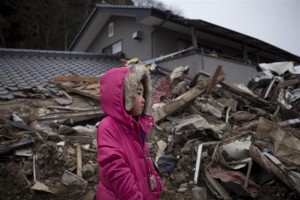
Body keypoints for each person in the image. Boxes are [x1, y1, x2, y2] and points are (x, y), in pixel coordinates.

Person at [96, 63, 163, 200]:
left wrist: (156, 186)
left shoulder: (136, 126)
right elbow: (116, 170)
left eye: (143, 94)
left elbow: (146, 160)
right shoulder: (108, 127)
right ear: (124, 96)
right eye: (138, 93)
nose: (143, 100)